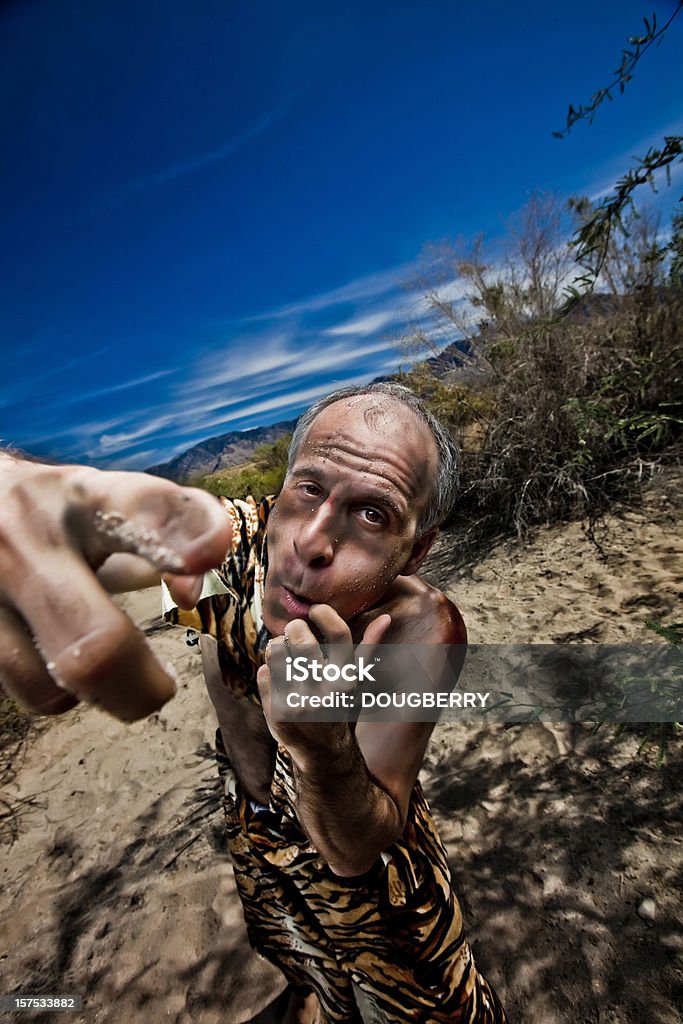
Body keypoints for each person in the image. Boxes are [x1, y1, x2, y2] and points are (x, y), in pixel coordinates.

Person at [0, 383, 507, 1023]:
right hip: (254, 825)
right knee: (295, 956)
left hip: (378, 889)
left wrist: (323, 747)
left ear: (418, 548)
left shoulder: (418, 631)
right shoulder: (239, 541)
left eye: (373, 514)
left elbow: (359, 846)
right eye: (308, 489)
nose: (313, 541)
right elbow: (96, 527)